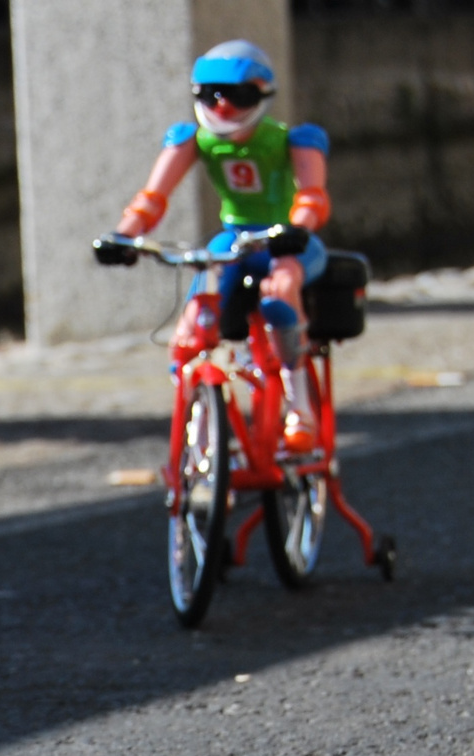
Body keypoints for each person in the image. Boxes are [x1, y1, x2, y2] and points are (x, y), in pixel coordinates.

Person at [103, 40, 333, 453]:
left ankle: (299, 404)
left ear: (260, 95)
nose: (223, 107)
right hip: (234, 237)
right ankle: (200, 412)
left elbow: (311, 195)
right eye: (213, 95)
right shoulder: (195, 140)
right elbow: (153, 197)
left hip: (282, 237)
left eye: (237, 96)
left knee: (281, 290)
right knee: (194, 320)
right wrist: (123, 235)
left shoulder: (291, 140)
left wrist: (298, 228)